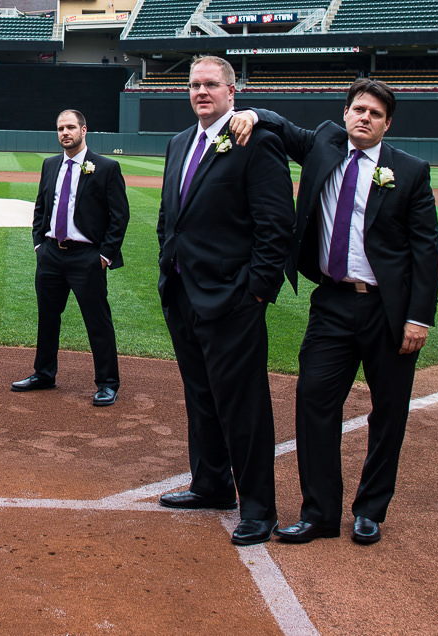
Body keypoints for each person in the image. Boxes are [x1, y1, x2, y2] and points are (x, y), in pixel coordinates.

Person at [238, 79, 438, 546]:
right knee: (313, 401)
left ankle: (370, 509)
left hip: (388, 310)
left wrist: (418, 317)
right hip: (331, 301)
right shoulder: (325, 144)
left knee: (388, 411)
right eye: (358, 110)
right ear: (345, 113)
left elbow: (426, 251)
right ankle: (320, 513)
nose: (363, 118)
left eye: (374, 113)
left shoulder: (408, 171)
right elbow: (283, 126)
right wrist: (248, 113)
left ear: (387, 123)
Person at [155, 55, 294, 546]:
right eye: (194, 85)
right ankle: (211, 484)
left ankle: (259, 509)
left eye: (211, 84)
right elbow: (171, 215)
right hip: (183, 293)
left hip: (234, 299)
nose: (201, 92)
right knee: (202, 398)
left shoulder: (256, 142)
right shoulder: (178, 143)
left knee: (244, 407)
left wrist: (256, 290)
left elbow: (276, 226)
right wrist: (165, 267)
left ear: (232, 92)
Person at [11, 108, 129, 405]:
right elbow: (41, 208)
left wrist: (104, 256)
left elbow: (119, 216)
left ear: (83, 130)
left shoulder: (105, 167)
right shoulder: (50, 165)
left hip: (87, 258)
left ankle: (107, 382)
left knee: (97, 321)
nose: (65, 132)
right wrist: (39, 244)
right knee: (47, 318)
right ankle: (44, 374)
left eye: (70, 127)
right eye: (61, 128)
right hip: (51, 255)